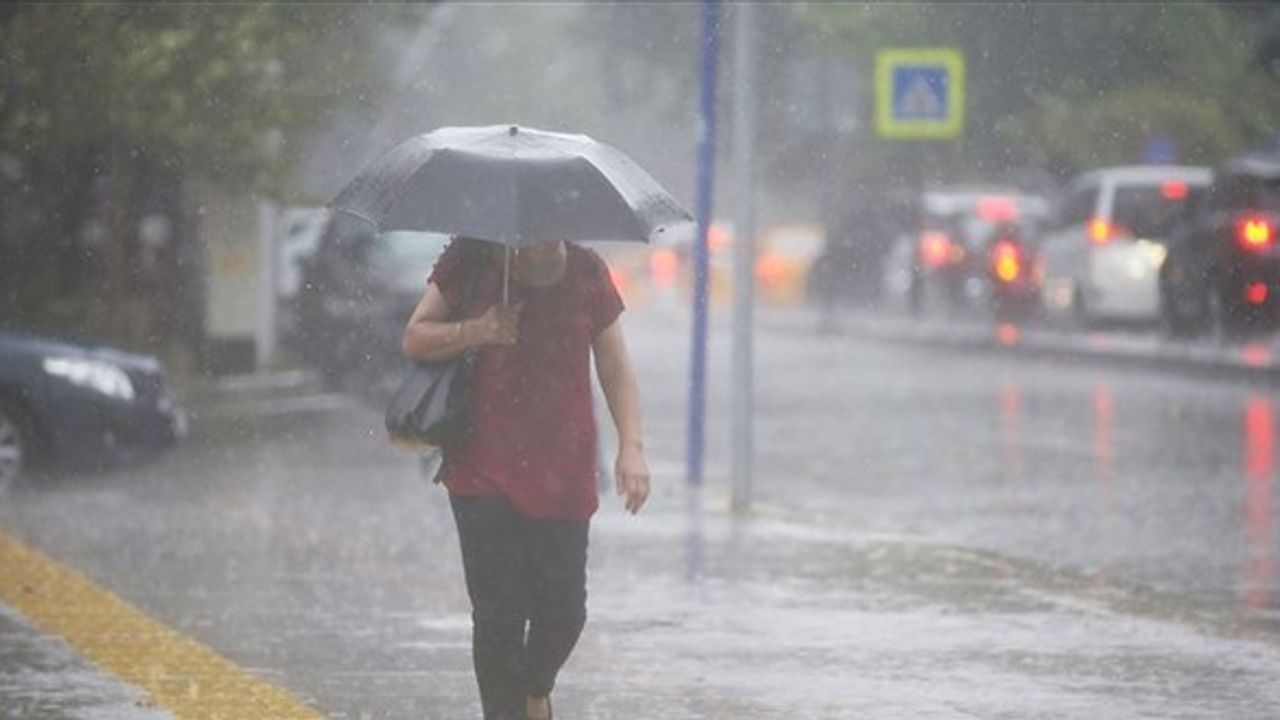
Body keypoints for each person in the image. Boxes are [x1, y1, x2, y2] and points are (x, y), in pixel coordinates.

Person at [401, 237, 651, 720]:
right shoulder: (471, 257)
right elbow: (415, 336)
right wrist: (478, 330)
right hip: (481, 465)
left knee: (565, 612)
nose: (539, 236)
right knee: (499, 614)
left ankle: (535, 688)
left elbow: (615, 366)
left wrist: (632, 448)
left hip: (564, 466)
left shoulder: (586, 270)